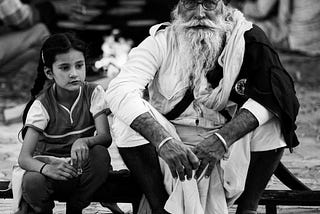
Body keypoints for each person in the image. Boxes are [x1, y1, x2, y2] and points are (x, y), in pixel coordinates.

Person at [106, 0, 300, 213]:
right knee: (126, 119)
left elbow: (278, 92)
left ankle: (248, 208)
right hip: (169, 151)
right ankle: (159, 206)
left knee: (273, 113)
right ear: (178, 8)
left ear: (223, 7)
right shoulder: (160, 42)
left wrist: (222, 139)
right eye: (190, 3)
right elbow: (120, 89)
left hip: (228, 150)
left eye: (209, 3)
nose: (199, 14)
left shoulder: (247, 39)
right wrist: (164, 141)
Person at [17, 33, 112, 214]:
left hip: (80, 173)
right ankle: (43, 210)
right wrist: (47, 169)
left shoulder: (94, 93)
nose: (74, 74)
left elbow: (105, 137)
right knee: (31, 182)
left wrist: (84, 141)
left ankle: (76, 206)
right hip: (50, 174)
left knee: (100, 154)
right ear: (49, 72)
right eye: (64, 68)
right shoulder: (41, 106)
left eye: (79, 65)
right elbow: (24, 158)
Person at [236, 0, 320, 56]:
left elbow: (260, 10)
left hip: (298, 39)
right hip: (316, 41)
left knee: (240, 25)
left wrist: (238, 5)